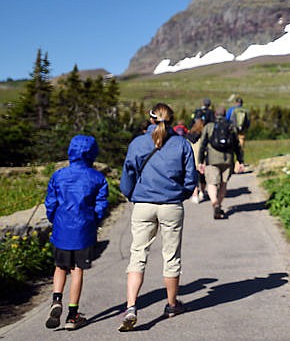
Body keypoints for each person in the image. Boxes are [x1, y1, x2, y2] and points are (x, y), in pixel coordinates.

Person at [118, 103, 197, 331]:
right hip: (171, 205)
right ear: (171, 119)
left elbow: (127, 175)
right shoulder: (182, 144)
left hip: (143, 203)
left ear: (150, 119)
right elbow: (190, 180)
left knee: (138, 255)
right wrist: (178, 195)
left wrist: (133, 195)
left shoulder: (137, 143)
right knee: (171, 257)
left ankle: (131, 306)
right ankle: (172, 305)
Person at [44, 135, 109, 331]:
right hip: (83, 230)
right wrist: (94, 221)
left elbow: (51, 203)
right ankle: (73, 315)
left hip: (62, 227)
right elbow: (101, 207)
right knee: (77, 270)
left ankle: (56, 299)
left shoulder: (58, 175)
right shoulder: (98, 178)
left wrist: (54, 219)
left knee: (60, 267)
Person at [198, 107, 244, 219]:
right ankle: (219, 203)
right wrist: (240, 160)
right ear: (225, 115)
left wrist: (200, 161)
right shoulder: (231, 127)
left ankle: (215, 203)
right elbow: (237, 146)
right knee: (223, 183)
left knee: (212, 183)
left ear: (215, 114)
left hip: (212, 160)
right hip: (227, 159)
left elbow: (203, 144)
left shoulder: (209, 127)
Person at [186, 118, 206, 203]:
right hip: (201, 158)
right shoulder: (203, 136)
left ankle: (195, 195)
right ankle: (202, 192)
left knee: (193, 177)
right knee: (202, 177)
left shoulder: (188, 136)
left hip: (191, 158)